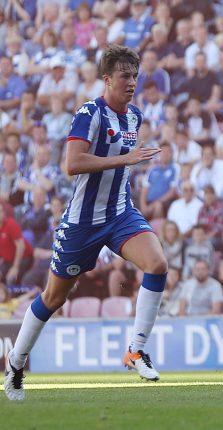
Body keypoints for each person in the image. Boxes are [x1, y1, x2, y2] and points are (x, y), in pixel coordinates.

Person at [5, 46, 169, 402]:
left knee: (157, 264)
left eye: (135, 76)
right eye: (125, 76)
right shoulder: (89, 113)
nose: (131, 83)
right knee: (54, 297)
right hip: (82, 221)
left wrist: (127, 163)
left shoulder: (134, 117)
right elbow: (73, 164)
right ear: (107, 79)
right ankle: (16, 363)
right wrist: (127, 158)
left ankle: (136, 350)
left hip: (121, 213)